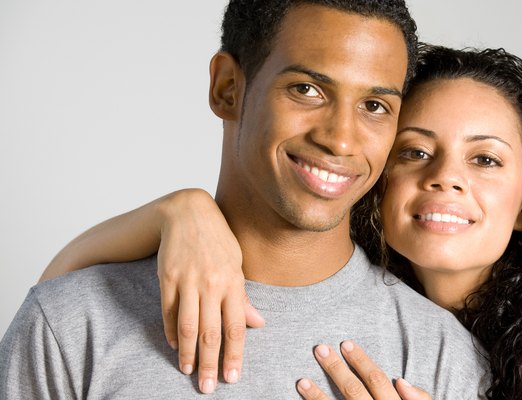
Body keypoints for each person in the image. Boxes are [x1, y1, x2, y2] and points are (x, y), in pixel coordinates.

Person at [37, 43, 522, 399]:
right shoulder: (383, 308)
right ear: (377, 180)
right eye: (415, 151)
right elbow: (57, 310)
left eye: (486, 160)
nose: (445, 176)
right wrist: (175, 212)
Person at [0, 2, 491, 399]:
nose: (342, 140)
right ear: (228, 88)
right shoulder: (70, 323)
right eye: (307, 89)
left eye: (374, 106)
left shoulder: (443, 356)